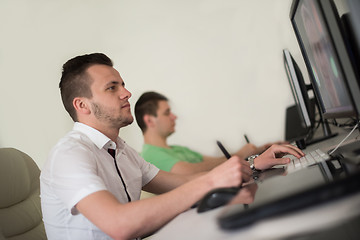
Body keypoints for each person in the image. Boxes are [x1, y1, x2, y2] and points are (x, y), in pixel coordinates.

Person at [40, 53, 304, 240]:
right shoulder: (70, 154)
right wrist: (211, 183)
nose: (127, 93)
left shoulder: (120, 150)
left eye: (123, 84)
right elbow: (118, 225)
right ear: (82, 105)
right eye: (112, 88)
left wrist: (254, 164)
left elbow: (182, 183)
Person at [135, 91, 288, 174]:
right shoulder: (150, 156)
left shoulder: (177, 149)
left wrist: (258, 151)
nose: (174, 116)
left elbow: (214, 162)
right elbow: (191, 173)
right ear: (149, 121)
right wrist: (241, 156)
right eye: (167, 113)